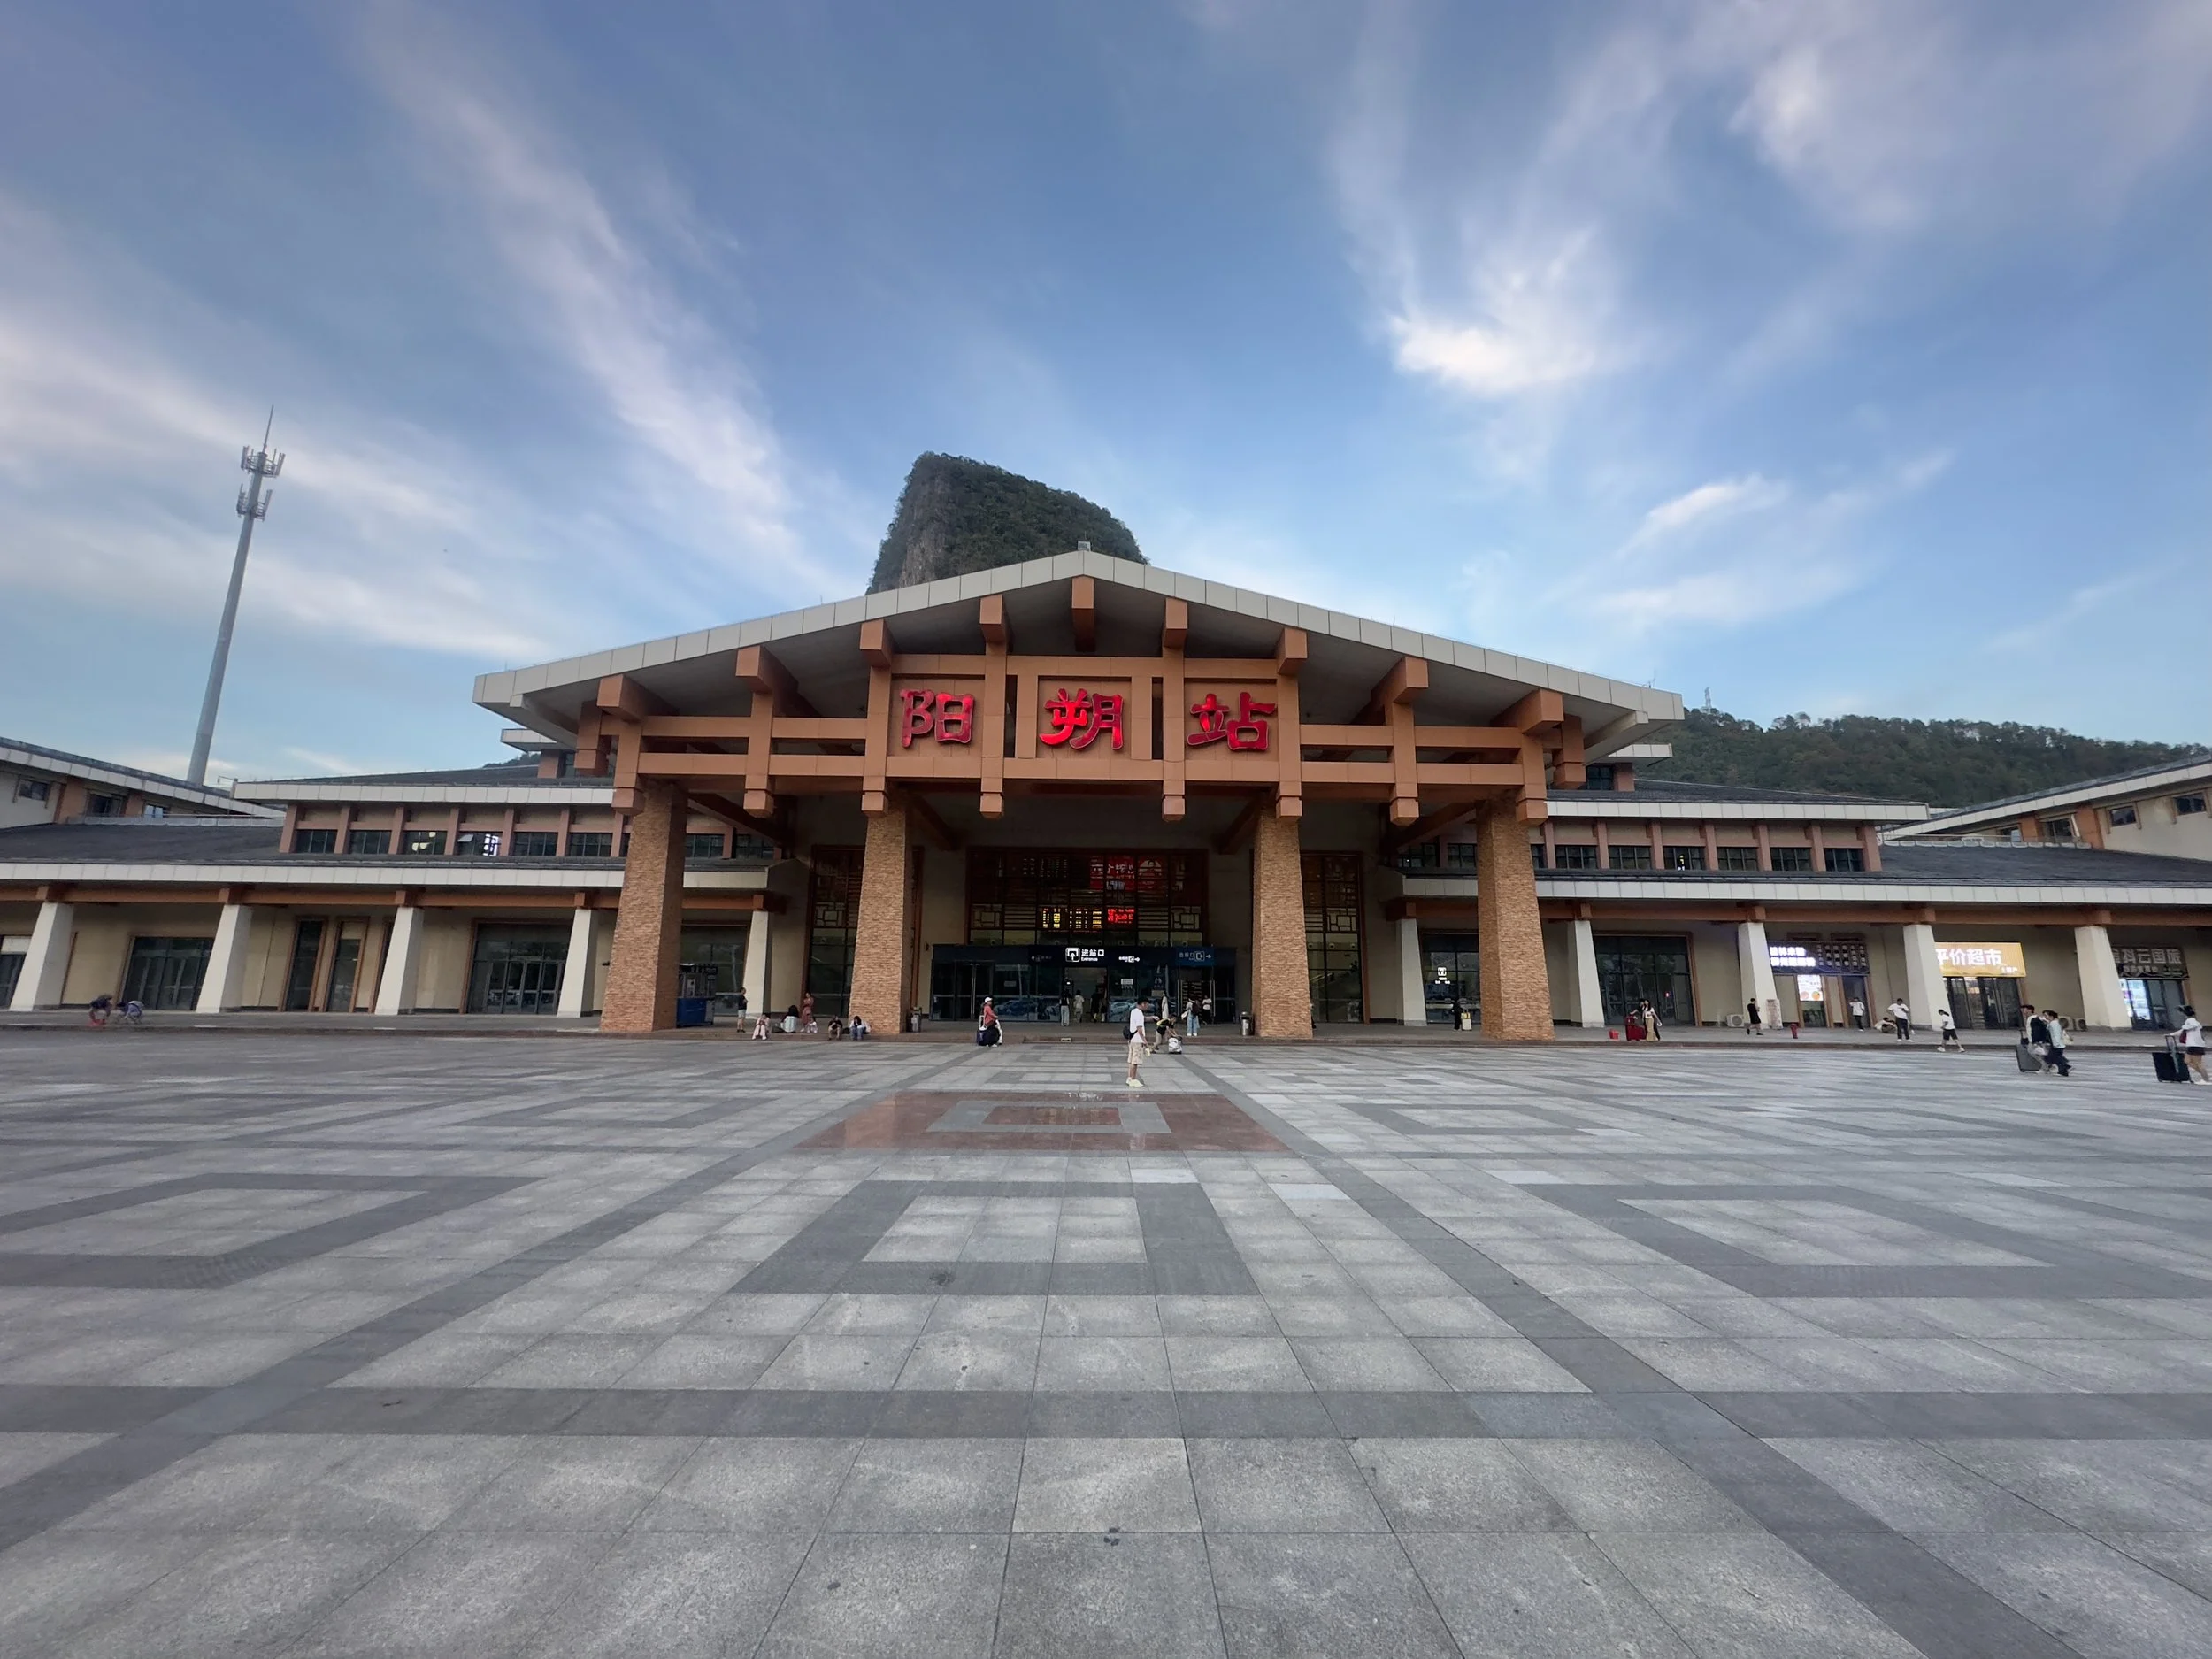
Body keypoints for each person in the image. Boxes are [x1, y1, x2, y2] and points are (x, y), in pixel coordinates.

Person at [1126, 995, 1150, 1088]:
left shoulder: (1134, 1011)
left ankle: (1129, 1078)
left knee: (1131, 1060)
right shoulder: (1139, 1013)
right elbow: (1139, 1028)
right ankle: (1133, 1079)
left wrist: (1151, 1017)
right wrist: (1144, 1040)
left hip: (1132, 1039)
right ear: (1143, 1004)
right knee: (1135, 1061)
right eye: (1147, 1004)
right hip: (1137, 1040)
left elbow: (1141, 1021)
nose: (1147, 1007)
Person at [2179, 1005, 2208, 1084]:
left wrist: (2184, 1027)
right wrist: (2171, 1034)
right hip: (2193, 1045)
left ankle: (2206, 1079)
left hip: (2195, 1045)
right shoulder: (2192, 1021)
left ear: (2185, 1014)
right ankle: (2205, 1076)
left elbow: (2192, 1026)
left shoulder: (2191, 1021)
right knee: (2187, 1060)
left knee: (2198, 1063)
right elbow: (2182, 1030)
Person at [2041, 1010, 2071, 1078]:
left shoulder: (2054, 1023)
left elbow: (2056, 1034)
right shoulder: (2053, 1023)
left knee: (2053, 1057)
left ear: (2051, 1016)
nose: (2045, 1017)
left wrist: (2056, 1043)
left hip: (2057, 1044)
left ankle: (2066, 1067)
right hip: (2057, 1043)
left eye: (2046, 1015)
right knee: (2055, 1057)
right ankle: (2063, 1071)